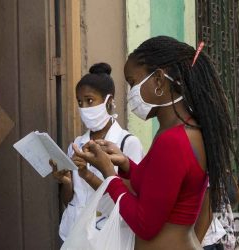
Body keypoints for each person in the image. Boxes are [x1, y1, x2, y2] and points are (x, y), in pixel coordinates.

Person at [73, 36, 237, 250]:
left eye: (132, 82)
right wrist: (124, 163)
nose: (131, 93)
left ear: (158, 80)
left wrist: (109, 174)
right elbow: (157, 186)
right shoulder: (183, 130)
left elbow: (145, 224)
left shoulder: (173, 141)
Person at [50, 63, 144, 242]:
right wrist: (66, 182)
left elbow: (130, 199)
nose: (84, 108)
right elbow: (69, 200)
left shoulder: (127, 143)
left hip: (107, 236)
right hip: (73, 234)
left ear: (109, 101)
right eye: (79, 102)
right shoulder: (77, 144)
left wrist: (89, 175)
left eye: (89, 100)